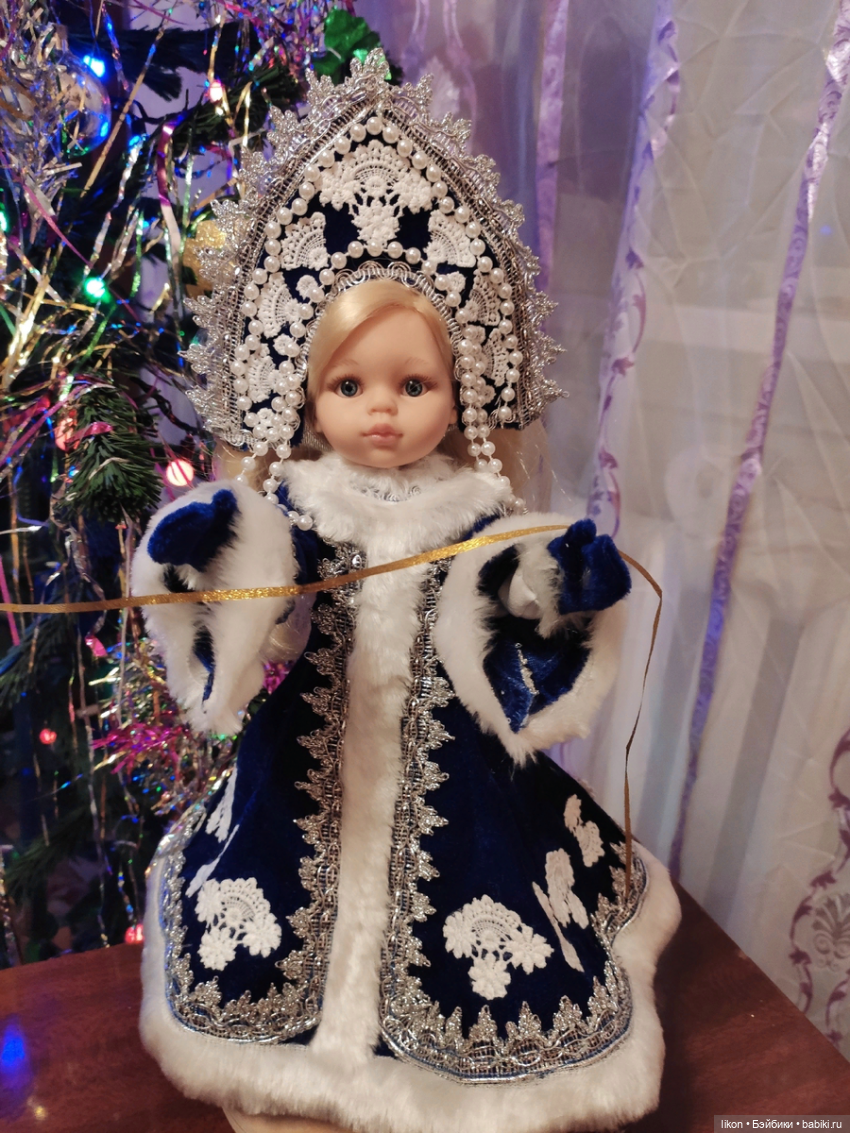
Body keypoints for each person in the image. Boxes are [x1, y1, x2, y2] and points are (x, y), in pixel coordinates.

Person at [132, 54, 680, 1133]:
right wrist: (206, 561)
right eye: (349, 385)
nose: (380, 411)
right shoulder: (294, 505)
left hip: (460, 789)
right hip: (305, 777)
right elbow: (255, 631)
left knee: (487, 934)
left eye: (412, 384)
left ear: (459, 391)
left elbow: (514, 629)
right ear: (309, 396)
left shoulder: (476, 509)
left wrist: (565, 591)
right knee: (272, 927)